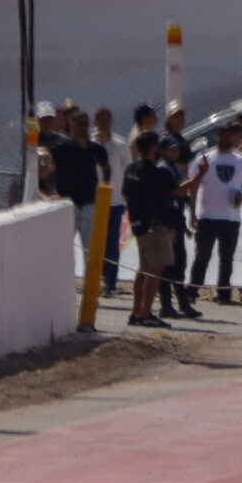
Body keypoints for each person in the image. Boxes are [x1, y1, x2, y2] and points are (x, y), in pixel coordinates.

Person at [187, 125, 242, 305]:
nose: (225, 138)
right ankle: (192, 291)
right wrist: (192, 213)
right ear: (217, 136)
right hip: (207, 216)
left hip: (231, 218)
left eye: (228, 135)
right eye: (221, 135)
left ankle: (224, 294)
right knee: (202, 256)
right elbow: (193, 186)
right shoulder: (205, 158)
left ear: (231, 137)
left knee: (226, 258)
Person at [122, 130, 186, 326]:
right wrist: (200, 174)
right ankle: (145, 314)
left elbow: (126, 194)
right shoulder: (154, 172)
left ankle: (136, 312)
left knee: (143, 270)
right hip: (155, 227)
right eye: (157, 145)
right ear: (152, 148)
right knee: (154, 272)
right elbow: (178, 192)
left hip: (139, 226)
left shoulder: (131, 169)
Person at [46, 109, 105, 277]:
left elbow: (107, 172)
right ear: (71, 124)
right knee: (63, 248)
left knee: (90, 249)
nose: (82, 127)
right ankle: (64, 281)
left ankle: (90, 286)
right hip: (68, 204)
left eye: (85, 123)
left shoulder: (96, 149)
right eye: (79, 123)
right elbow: (49, 170)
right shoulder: (62, 149)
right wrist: (52, 191)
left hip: (90, 204)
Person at [158, 105, 198, 316]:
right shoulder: (163, 169)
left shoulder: (174, 167)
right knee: (167, 264)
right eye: (171, 150)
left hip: (176, 218)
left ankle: (182, 303)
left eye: (177, 150)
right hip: (167, 220)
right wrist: (199, 176)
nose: (175, 152)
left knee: (179, 262)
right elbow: (176, 193)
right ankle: (166, 305)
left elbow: (181, 197)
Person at [92, 108, 132, 294]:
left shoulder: (120, 145)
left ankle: (110, 282)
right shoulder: (90, 145)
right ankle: (94, 279)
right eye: (100, 119)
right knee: (94, 243)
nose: (104, 122)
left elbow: (128, 172)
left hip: (114, 201)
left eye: (107, 119)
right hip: (93, 202)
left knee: (112, 243)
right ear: (95, 121)